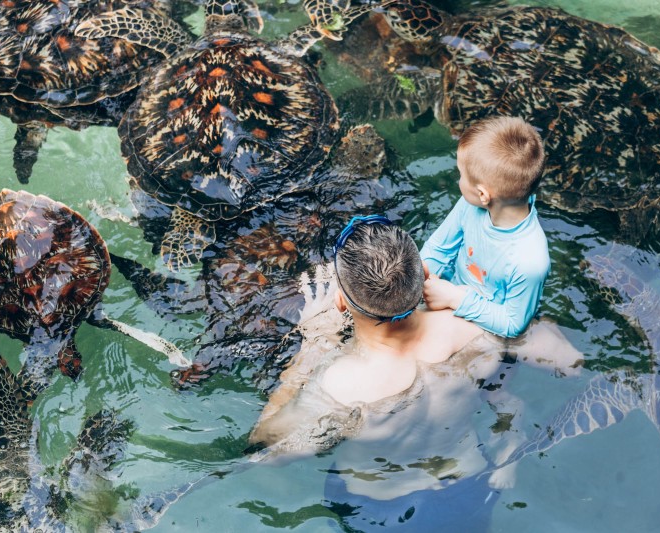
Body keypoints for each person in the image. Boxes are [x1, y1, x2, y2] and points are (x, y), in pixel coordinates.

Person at [247, 216, 581, 530]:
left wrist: (312, 343)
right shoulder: (479, 327)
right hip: (470, 489)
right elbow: (570, 363)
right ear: (423, 273)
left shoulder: (341, 385)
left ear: (340, 303)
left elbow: (265, 451)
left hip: (378, 513)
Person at [421, 115, 550, 338]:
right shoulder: (470, 205)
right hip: (454, 291)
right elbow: (439, 249)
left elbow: (513, 324)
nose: (458, 181)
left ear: (483, 194)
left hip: (489, 325)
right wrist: (418, 278)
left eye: (461, 175)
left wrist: (455, 299)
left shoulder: (530, 261)